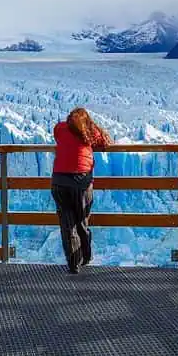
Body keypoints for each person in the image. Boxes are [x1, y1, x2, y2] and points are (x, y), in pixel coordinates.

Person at [52, 107, 112, 273]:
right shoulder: (89, 131)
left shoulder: (61, 128)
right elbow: (105, 141)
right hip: (81, 182)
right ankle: (85, 256)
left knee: (67, 223)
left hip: (60, 181)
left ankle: (73, 263)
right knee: (82, 221)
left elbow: (57, 134)